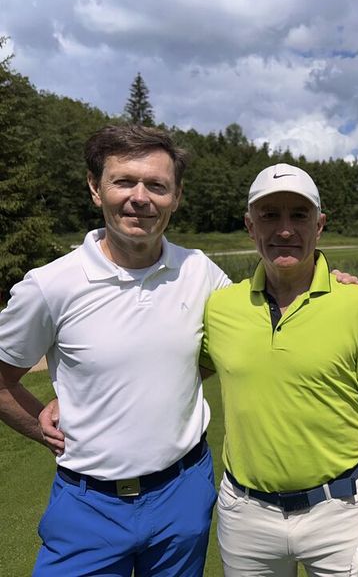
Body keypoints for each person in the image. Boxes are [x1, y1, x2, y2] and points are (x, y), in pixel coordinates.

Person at [0, 125, 230, 576]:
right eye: (124, 181)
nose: (140, 197)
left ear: (176, 197)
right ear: (95, 188)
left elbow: (258, 324)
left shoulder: (200, 270)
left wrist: (330, 281)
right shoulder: (49, 285)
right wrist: (38, 426)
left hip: (183, 493)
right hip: (88, 503)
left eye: (157, 186)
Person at [199, 163, 358, 577]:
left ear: (320, 224)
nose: (285, 230)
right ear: (249, 225)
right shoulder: (220, 308)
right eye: (270, 215)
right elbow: (170, 375)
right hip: (246, 516)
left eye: (299, 215)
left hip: (341, 512)